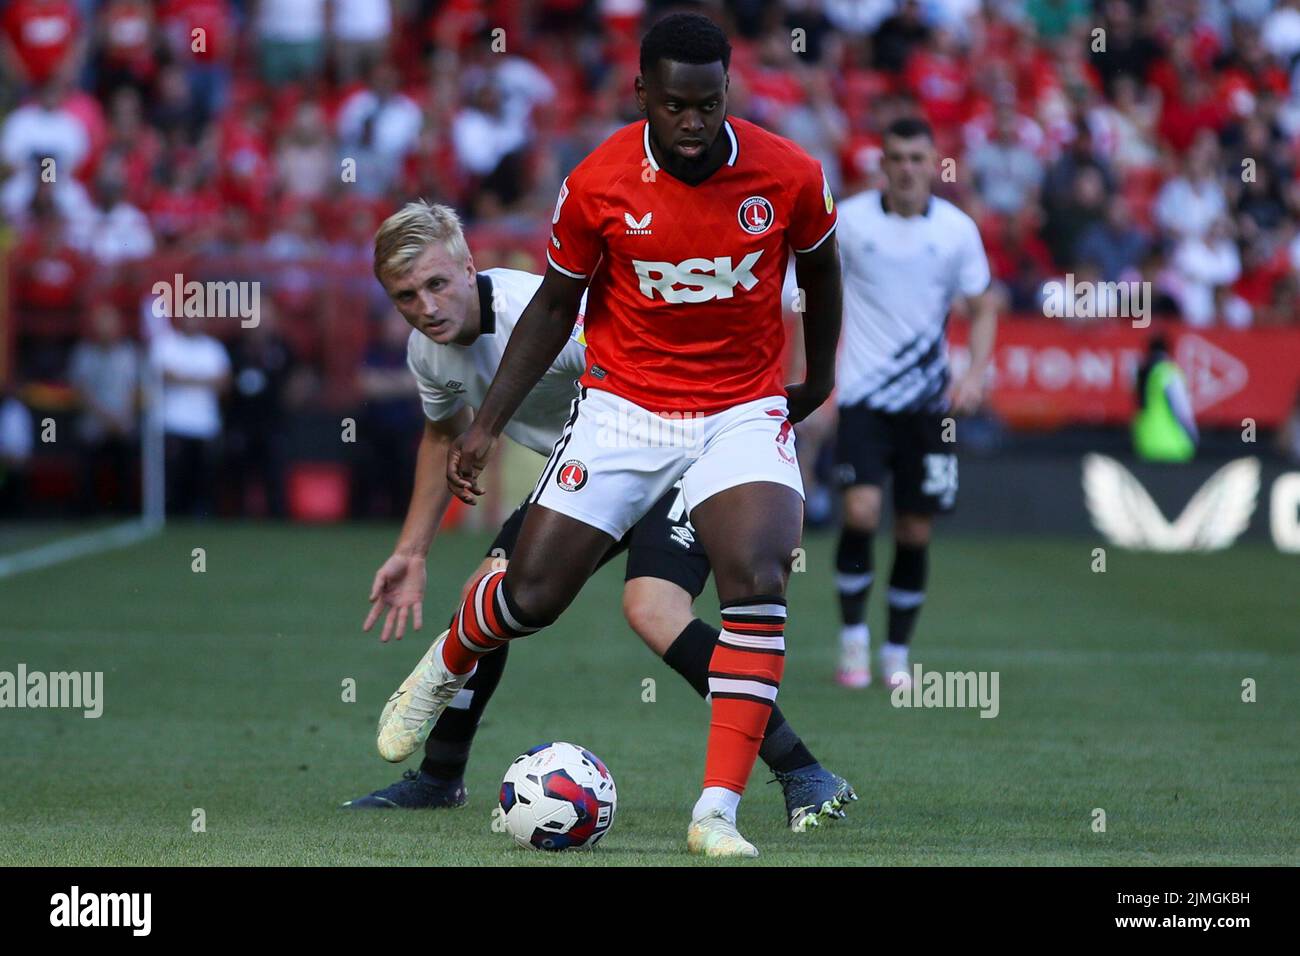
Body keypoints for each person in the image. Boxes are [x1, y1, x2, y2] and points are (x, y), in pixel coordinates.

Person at [375, 13, 842, 858]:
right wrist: (482, 430)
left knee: (756, 572)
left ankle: (717, 813)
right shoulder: (597, 182)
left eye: (708, 105)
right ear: (643, 97)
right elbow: (556, 305)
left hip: (740, 407)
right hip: (624, 409)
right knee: (535, 595)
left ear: (727, 92)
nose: (693, 123)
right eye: (675, 106)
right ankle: (446, 660)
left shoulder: (790, 173)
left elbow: (822, 266)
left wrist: (820, 377)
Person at [831, 117, 997, 690]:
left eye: (916, 158)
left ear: (934, 164)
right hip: (863, 396)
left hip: (929, 405)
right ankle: (854, 639)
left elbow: (983, 307)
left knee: (915, 530)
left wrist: (975, 373)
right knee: (859, 512)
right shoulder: (849, 222)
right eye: (896, 157)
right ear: (882, 163)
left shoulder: (955, 231)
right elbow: (809, 295)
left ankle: (896, 651)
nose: (906, 168)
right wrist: (815, 377)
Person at [1132, 335, 1198, 463]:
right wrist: (1193, 435)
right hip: (1173, 444)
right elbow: (1181, 409)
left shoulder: (1141, 373)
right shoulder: (1168, 373)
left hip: (1146, 442)